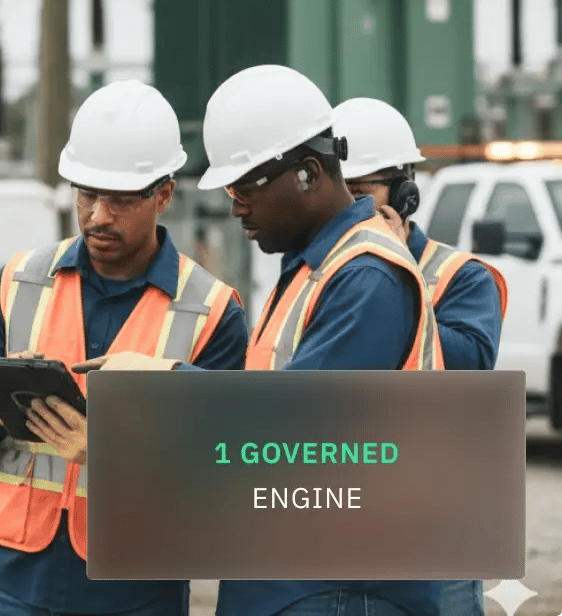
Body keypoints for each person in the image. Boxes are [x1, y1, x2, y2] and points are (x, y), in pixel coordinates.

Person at [76, 65, 447, 616]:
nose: (234, 205)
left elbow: (293, 428)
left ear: (308, 173)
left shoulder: (367, 276)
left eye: (245, 185)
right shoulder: (311, 270)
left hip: (341, 585)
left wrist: (161, 381)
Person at [0, 78, 250, 616]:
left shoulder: (214, 312)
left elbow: (227, 461)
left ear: (164, 194)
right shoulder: (20, 281)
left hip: (138, 592)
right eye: (87, 194)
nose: (99, 216)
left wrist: (112, 452)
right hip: (14, 584)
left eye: (121, 200)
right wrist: (0, 411)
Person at [332, 96, 508, 616]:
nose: (348, 211)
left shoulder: (461, 277)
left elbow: (468, 367)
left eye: (361, 194)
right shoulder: (318, 277)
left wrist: (391, 278)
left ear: (404, 193)